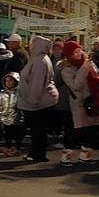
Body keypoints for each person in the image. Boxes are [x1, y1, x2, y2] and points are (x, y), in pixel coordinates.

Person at [59, 40, 99, 166]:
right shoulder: (66, 68)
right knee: (77, 130)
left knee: (93, 129)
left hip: (94, 99)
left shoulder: (88, 62)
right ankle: (66, 156)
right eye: (75, 52)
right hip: (80, 102)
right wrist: (83, 69)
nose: (79, 53)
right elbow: (76, 85)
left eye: (79, 50)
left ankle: (85, 155)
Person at [16, 35, 58, 163]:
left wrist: (32, 101)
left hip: (38, 102)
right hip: (39, 100)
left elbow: (37, 83)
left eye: (32, 43)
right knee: (38, 129)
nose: (30, 45)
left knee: (37, 129)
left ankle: (37, 154)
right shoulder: (40, 59)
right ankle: (36, 153)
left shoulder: (39, 61)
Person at [0, 72, 23, 157]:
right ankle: (8, 147)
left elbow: (22, 105)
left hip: (16, 118)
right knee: (7, 134)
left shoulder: (19, 93)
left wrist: (20, 115)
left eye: (10, 80)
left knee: (17, 134)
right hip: (5, 117)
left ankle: (17, 148)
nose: (8, 83)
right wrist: (1, 113)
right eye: (6, 81)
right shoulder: (3, 92)